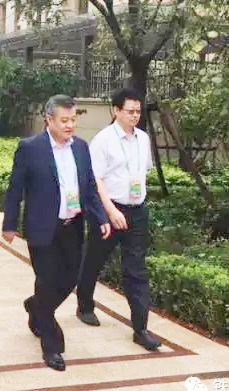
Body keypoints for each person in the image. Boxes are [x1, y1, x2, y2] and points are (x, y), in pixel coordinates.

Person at [2, 95, 111, 371]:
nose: (70, 125)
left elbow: (89, 186)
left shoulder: (81, 148)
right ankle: (52, 347)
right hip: (42, 227)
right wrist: (9, 224)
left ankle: (35, 306)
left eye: (73, 119)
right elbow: (15, 188)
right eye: (64, 120)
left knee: (69, 280)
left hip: (72, 226)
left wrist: (101, 217)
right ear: (48, 119)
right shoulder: (30, 148)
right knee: (47, 281)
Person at [75, 88, 162, 351]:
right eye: (129, 111)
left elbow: (142, 172)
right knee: (95, 258)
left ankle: (140, 328)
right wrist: (111, 211)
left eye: (138, 111)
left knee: (136, 268)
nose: (135, 116)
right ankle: (85, 304)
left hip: (137, 211)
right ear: (115, 111)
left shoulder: (143, 139)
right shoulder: (103, 140)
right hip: (109, 209)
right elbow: (96, 179)